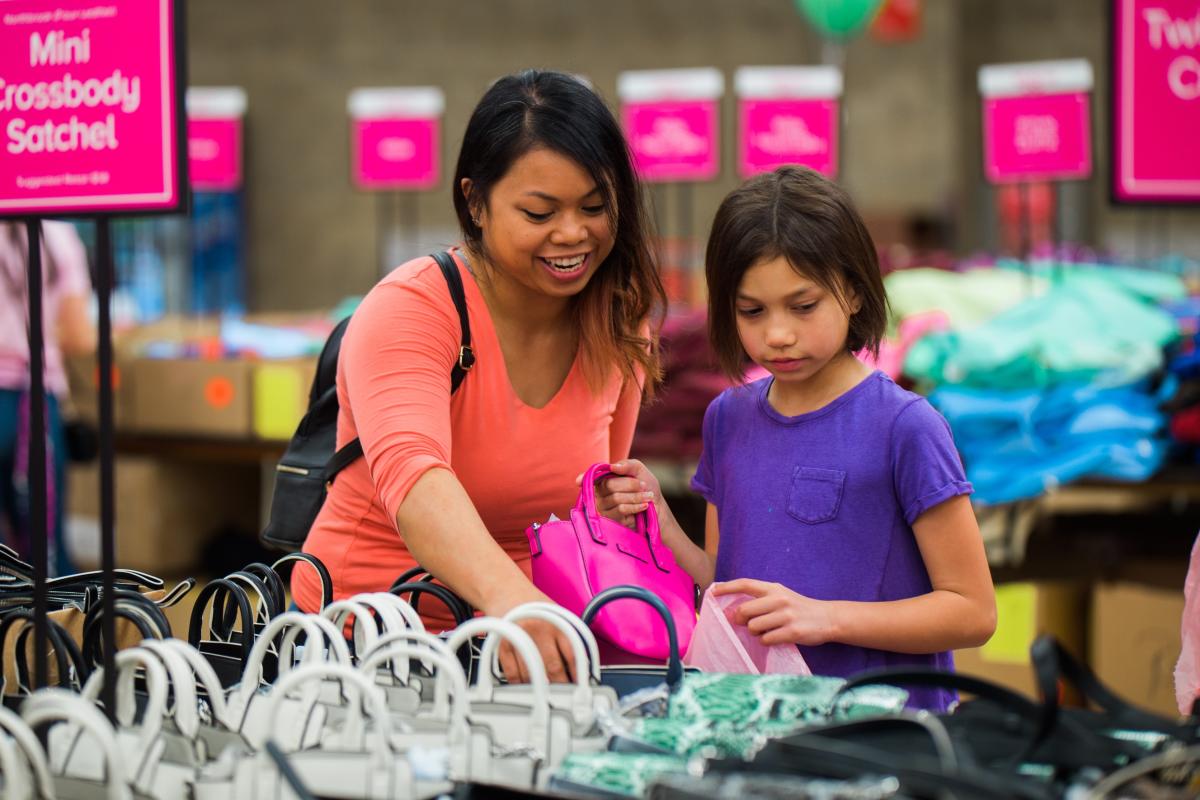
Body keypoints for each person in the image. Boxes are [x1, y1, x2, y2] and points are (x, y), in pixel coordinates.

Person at [293, 70, 666, 683]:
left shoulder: (620, 323)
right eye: (540, 212)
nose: (573, 234)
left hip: (523, 649)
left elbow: (586, 506)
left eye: (595, 207)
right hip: (367, 646)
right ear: (474, 202)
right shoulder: (414, 306)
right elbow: (415, 480)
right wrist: (513, 601)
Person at [596, 166, 995, 709]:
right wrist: (660, 522)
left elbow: (972, 611)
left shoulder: (906, 426)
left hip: (883, 736)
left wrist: (823, 617)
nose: (777, 334)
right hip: (758, 723)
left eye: (803, 306)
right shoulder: (726, 418)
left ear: (853, 292)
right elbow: (728, 585)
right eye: (751, 311)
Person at [0, 220, 96, 577]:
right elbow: (80, 336)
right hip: (36, 402)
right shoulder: (58, 235)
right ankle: (46, 630)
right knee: (44, 541)